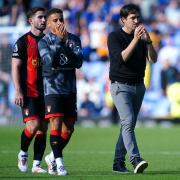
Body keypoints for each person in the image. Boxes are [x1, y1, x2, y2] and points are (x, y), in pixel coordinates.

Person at [107, 4, 157, 174]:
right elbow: (121, 58)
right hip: (120, 86)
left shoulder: (142, 37)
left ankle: (117, 163)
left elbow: (153, 59)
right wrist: (136, 39)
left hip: (138, 86)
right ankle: (135, 158)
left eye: (137, 18)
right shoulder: (114, 36)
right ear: (123, 20)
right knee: (128, 122)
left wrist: (148, 41)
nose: (136, 21)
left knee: (127, 126)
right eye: (132, 18)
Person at [38, 8, 83, 176]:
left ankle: (51, 157)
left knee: (69, 129)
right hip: (52, 88)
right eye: (55, 20)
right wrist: (58, 41)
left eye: (61, 19)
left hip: (70, 90)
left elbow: (78, 62)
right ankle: (60, 163)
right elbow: (49, 63)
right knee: (55, 124)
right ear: (48, 24)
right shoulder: (43, 42)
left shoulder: (74, 39)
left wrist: (64, 43)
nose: (59, 23)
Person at [11, 7, 48, 173]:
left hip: (47, 92)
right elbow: (15, 67)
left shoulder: (49, 41)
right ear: (30, 21)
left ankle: (37, 165)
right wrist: (18, 90)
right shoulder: (22, 41)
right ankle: (23, 152)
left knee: (43, 129)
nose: (43, 20)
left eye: (44, 17)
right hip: (29, 91)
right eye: (40, 17)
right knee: (33, 126)